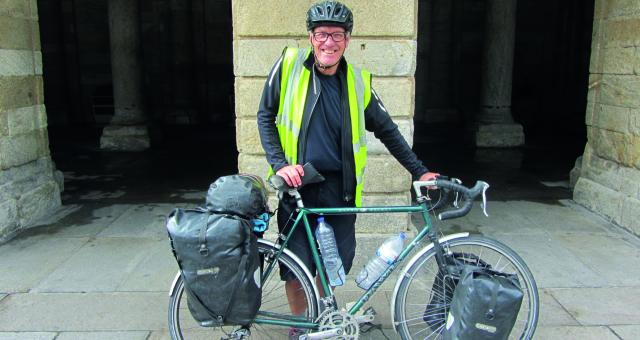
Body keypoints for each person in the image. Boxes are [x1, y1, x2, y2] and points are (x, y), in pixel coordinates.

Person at [256, 0, 439, 326]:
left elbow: (388, 131)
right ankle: (301, 326)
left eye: (337, 35)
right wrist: (279, 163)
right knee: (296, 266)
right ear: (311, 37)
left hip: (340, 191)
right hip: (297, 187)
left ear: (348, 39)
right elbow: (265, 115)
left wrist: (419, 170)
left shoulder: (357, 83)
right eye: (323, 34)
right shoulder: (287, 66)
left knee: (333, 265)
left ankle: (322, 320)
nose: (330, 42)